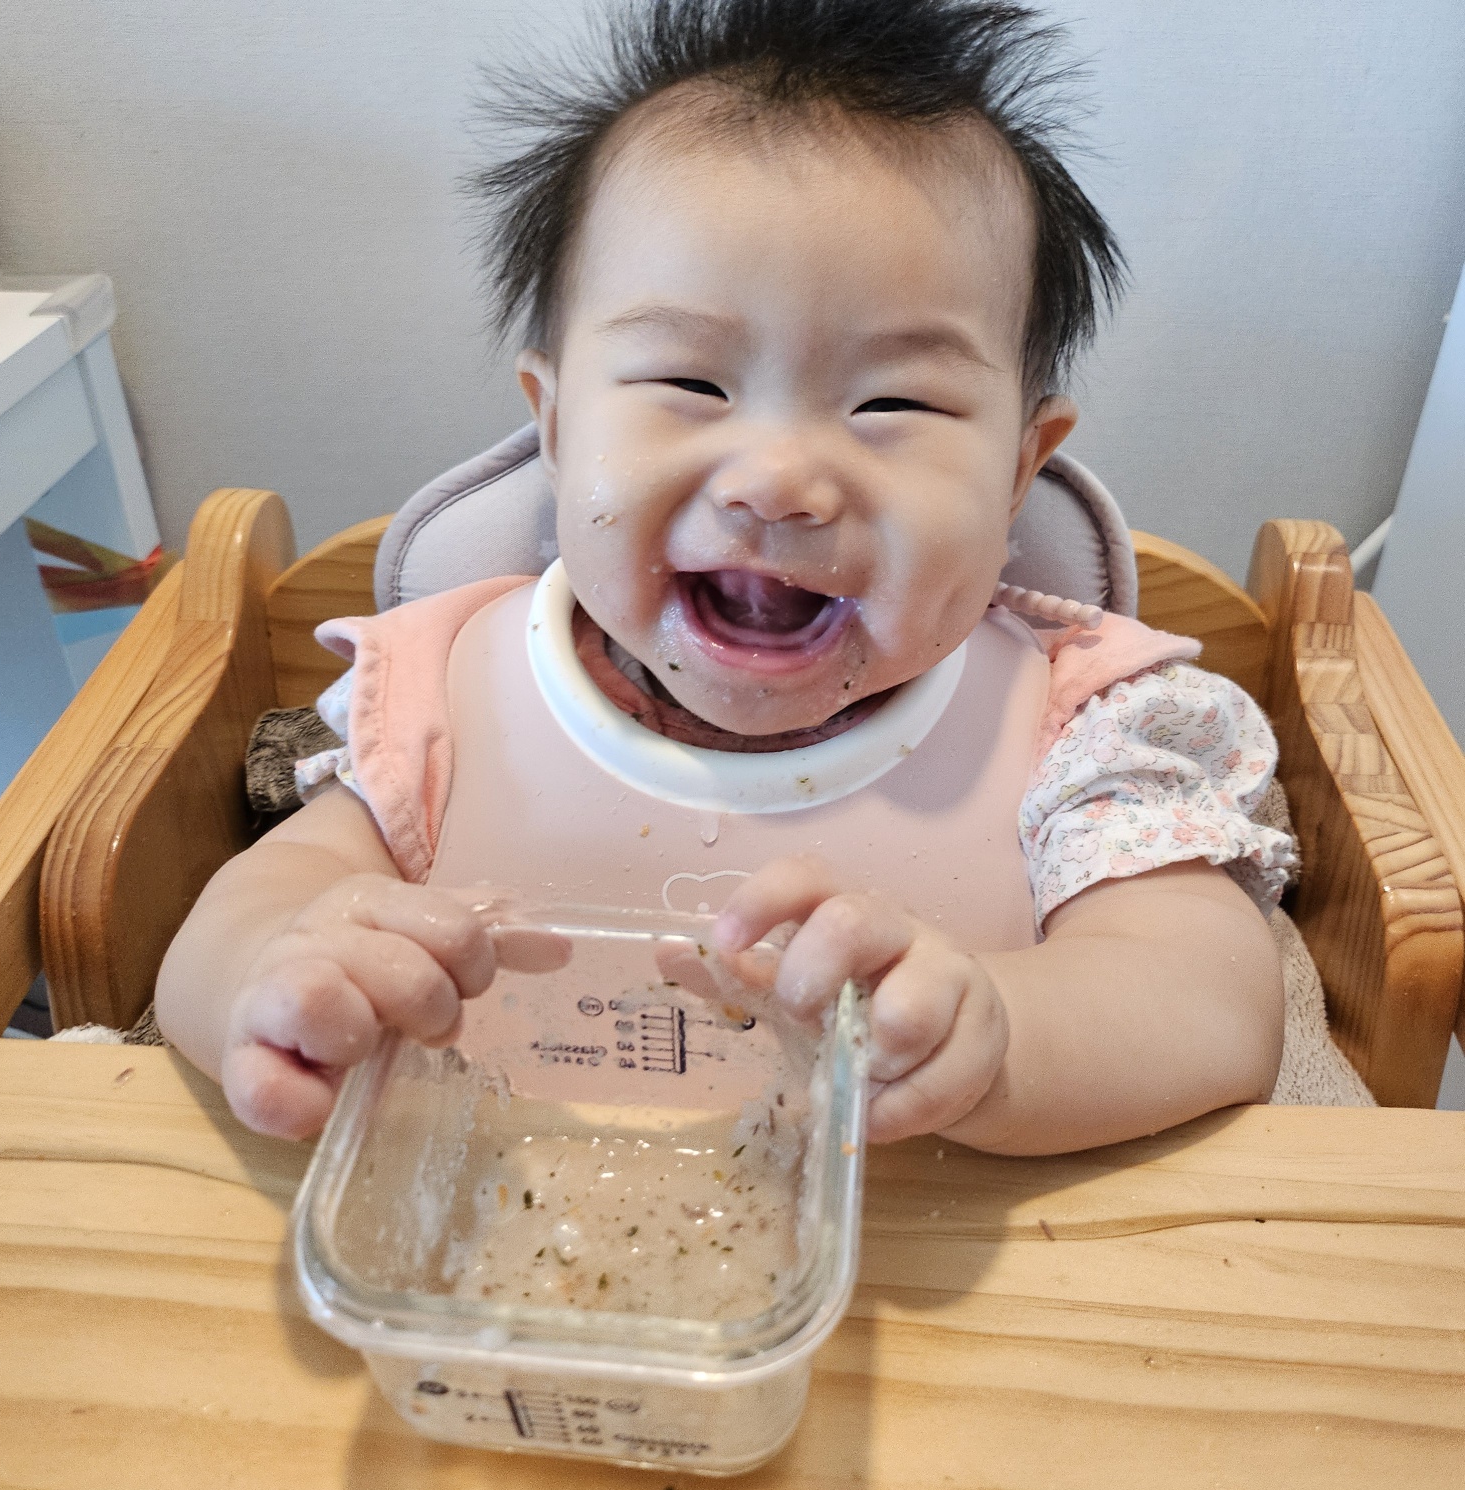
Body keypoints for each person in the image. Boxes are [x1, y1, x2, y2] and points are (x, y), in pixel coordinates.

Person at [156, 0, 1291, 1152]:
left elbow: (1209, 999)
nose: (777, 480)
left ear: (1015, 471)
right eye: (692, 384)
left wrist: (1001, 1035)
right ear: (555, 427)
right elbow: (240, 916)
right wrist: (277, 978)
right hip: (495, 1216)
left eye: (891, 400)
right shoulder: (442, 699)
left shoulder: (1072, 733)